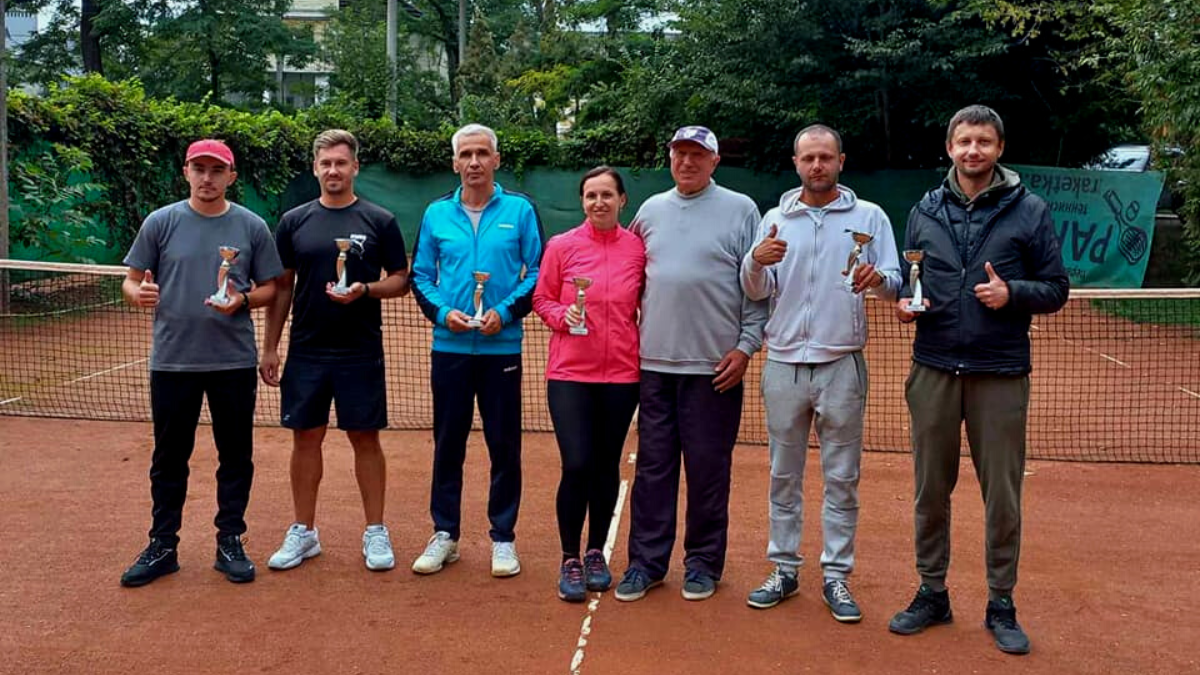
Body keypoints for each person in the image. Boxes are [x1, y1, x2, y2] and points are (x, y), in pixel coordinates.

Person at [888, 105, 1069, 654]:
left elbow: (1056, 288)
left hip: (1000, 372)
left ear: (998, 149)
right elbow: (912, 278)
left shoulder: (1030, 211)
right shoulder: (923, 210)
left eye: (984, 142)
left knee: (1003, 499)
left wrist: (1012, 293)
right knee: (929, 492)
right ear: (950, 148)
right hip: (934, 367)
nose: (973, 151)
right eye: (964, 141)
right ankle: (932, 592)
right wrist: (906, 305)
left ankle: (1001, 603)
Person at [740, 124, 901, 622]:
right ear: (795, 163)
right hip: (783, 363)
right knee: (782, 476)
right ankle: (784, 568)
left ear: (840, 161)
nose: (817, 166)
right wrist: (753, 259)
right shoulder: (774, 219)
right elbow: (753, 288)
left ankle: (837, 576)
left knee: (842, 478)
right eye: (808, 158)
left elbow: (896, 284)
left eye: (825, 157)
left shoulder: (870, 217)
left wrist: (878, 281)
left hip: (842, 366)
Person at [119, 139, 282, 587]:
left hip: (231, 362)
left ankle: (230, 539)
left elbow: (273, 287)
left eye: (217, 170)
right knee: (169, 458)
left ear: (231, 176)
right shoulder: (161, 222)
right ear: (186, 172)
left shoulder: (251, 227)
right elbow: (131, 282)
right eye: (199, 169)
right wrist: (140, 295)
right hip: (173, 362)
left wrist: (243, 299)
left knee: (236, 455)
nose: (207, 178)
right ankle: (163, 545)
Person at [614, 126, 767, 602]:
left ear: (715, 161)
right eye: (680, 154)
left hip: (715, 370)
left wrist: (745, 347)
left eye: (697, 155)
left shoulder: (742, 210)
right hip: (654, 367)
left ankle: (702, 563)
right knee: (653, 469)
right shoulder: (651, 210)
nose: (687, 162)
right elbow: (628, 276)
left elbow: (758, 285)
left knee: (707, 471)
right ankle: (646, 563)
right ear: (670, 158)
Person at [259, 129, 410, 572]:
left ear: (355, 167)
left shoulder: (379, 220)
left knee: (365, 438)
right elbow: (282, 287)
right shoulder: (293, 221)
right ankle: (304, 532)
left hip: (360, 351)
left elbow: (401, 279)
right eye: (325, 163)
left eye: (341, 163)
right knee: (305, 437)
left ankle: (375, 531)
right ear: (314, 168)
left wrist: (364, 289)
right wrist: (270, 347)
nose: (333, 171)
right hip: (307, 351)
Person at [410, 123, 544, 578]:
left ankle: (503, 538)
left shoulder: (521, 211)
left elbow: (537, 273)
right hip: (449, 347)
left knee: (504, 446)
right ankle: (445, 534)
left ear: (496, 159)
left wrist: (503, 313)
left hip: (500, 348)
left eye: (482, 153)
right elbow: (421, 275)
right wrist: (443, 312)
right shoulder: (435, 214)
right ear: (454, 163)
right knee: (448, 444)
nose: (474, 162)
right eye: (465, 154)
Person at [533, 166, 645, 602]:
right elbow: (542, 298)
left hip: (622, 375)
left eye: (607, 195)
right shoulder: (561, 247)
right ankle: (569, 557)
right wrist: (564, 317)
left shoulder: (637, 249)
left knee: (606, 466)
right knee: (576, 463)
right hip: (570, 375)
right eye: (590, 196)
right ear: (582, 202)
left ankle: (596, 551)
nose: (598, 202)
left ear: (622, 201)